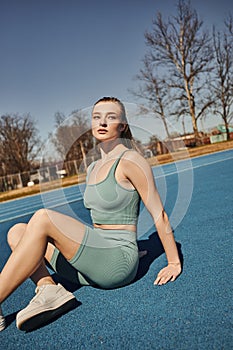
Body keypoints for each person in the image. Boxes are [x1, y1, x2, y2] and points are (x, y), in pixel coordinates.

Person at [0, 97, 181, 332]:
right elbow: (103, 222)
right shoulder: (92, 167)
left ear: (123, 125)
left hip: (117, 264)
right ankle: (49, 289)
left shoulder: (131, 160)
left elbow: (160, 214)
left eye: (111, 117)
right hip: (94, 261)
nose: (102, 122)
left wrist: (173, 262)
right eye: (97, 117)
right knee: (17, 232)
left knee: (44, 218)